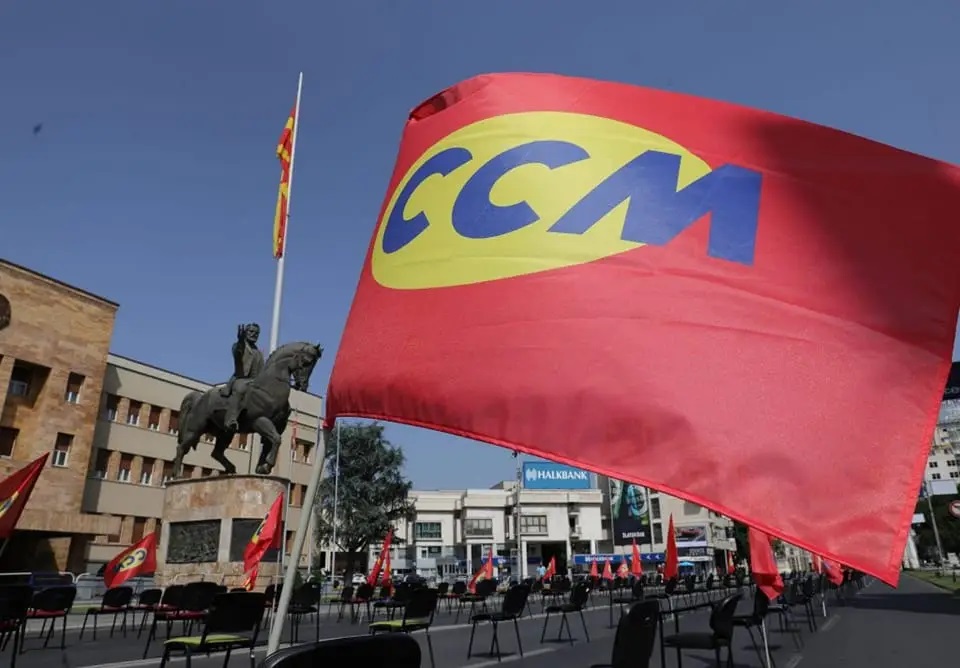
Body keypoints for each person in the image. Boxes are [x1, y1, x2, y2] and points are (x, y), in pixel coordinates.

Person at [221, 323, 265, 432]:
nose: (254, 334)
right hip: (241, 379)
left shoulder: (259, 353)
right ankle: (231, 419)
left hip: (254, 382)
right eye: (251, 331)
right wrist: (240, 341)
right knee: (240, 389)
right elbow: (238, 352)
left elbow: (262, 371)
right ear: (245, 333)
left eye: (257, 333)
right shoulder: (239, 346)